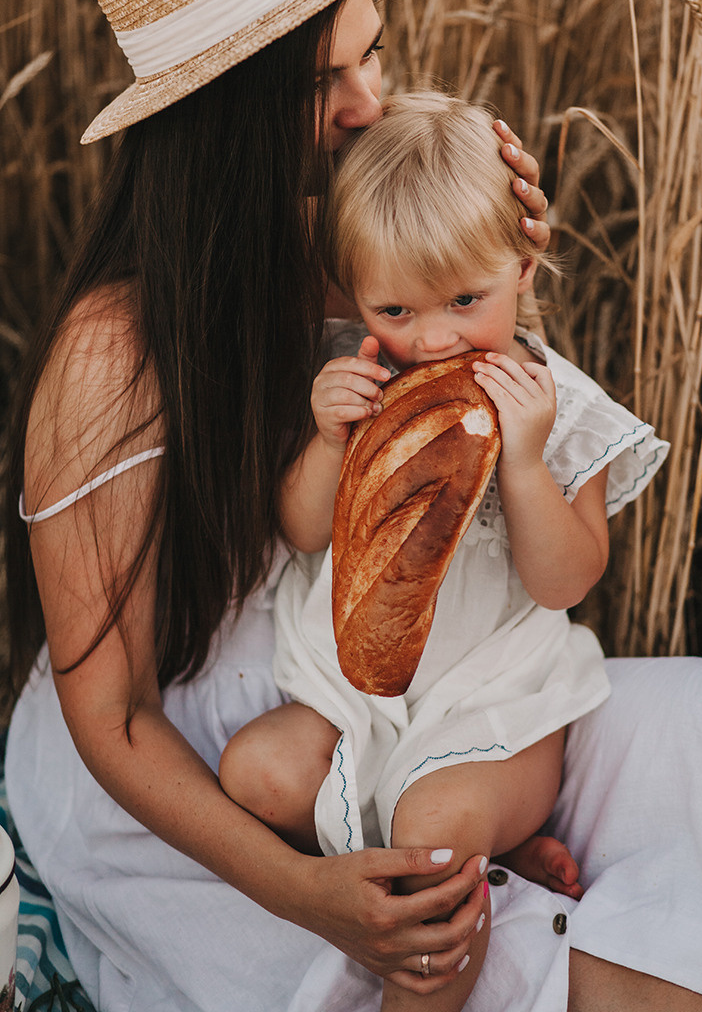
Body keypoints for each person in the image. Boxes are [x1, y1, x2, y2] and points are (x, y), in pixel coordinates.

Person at [3, 0, 702, 1012]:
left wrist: (494, 256)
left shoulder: (356, 247)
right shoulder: (110, 356)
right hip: (215, 770)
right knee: (515, 971)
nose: (368, 103)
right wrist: (301, 891)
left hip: (440, 679)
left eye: (369, 49)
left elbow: (491, 416)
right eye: (323, 80)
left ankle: (489, 836)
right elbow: (112, 719)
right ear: (227, 117)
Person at [218, 91, 670, 1012]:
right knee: (252, 772)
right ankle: (493, 863)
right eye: (396, 307)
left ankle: (434, 947)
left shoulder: (551, 403)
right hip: (354, 695)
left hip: (495, 704)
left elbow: (567, 577)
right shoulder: (358, 373)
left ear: (524, 262)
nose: (430, 338)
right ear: (355, 289)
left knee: (429, 832)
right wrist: (326, 441)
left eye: (468, 300)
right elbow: (304, 532)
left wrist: (528, 464)